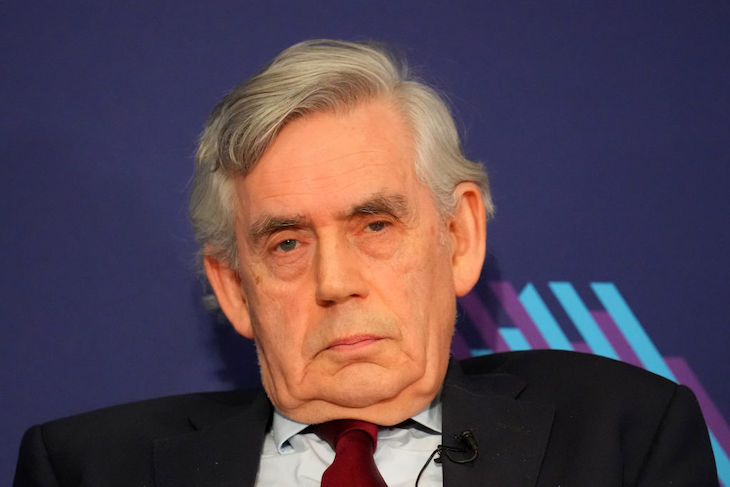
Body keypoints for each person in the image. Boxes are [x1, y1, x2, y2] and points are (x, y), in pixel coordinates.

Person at [14, 39, 718, 487]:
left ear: (459, 236)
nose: (336, 282)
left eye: (375, 225)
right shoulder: (85, 467)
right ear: (233, 287)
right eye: (287, 243)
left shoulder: (622, 435)